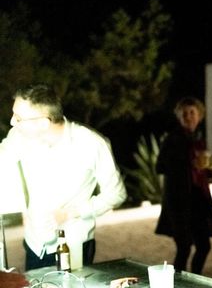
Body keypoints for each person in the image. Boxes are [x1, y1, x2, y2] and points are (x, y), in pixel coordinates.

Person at [0, 84, 126, 271]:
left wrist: (73, 212)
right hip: (35, 245)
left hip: (72, 245)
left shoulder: (91, 143)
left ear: (43, 122)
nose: (12, 122)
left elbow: (117, 194)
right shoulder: (18, 136)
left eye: (18, 118)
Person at [155, 97, 212, 274]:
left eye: (192, 113)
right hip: (180, 202)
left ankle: (195, 279)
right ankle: (177, 284)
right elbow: (160, 166)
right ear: (178, 117)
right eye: (184, 113)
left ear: (199, 115)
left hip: (198, 201)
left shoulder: (197, 139)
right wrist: (188, 163)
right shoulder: (173, 139)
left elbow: (198, 170)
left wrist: (206, 170)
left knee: (204, 246)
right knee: (184, 247)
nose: (188, 117)